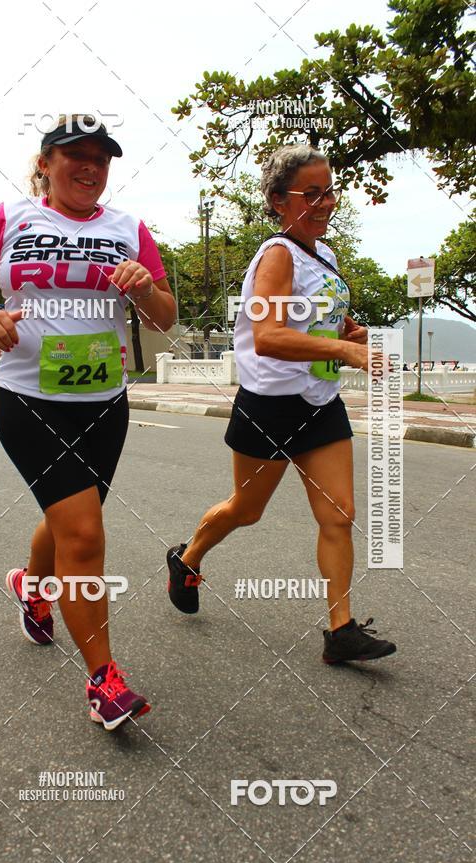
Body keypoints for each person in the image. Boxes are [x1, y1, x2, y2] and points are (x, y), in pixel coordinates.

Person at [0, 114, 176, 729]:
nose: (90, 167)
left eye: (102, 158)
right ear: (46, 162)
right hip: (27, 396)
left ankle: (30, 583)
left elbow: (162, 318)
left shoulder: (129, 229)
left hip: (104, 401)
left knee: (74, 519)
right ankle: (104, 680)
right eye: (76, 154)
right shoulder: (9, 218)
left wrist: (145, 287)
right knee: (84, 535)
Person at [167, 144, 396, 665]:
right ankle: (188, 557)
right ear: (277, 201)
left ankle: (341, 629)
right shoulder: (277, 255)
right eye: (310, 194)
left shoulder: (326, 255)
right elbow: (268, 337)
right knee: (245, 510)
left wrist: (348, 332)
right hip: (269, 406)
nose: (324, 202)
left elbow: (320, 324)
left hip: (319, 401)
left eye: (329, 191)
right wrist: (343, 349)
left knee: (339, 515)